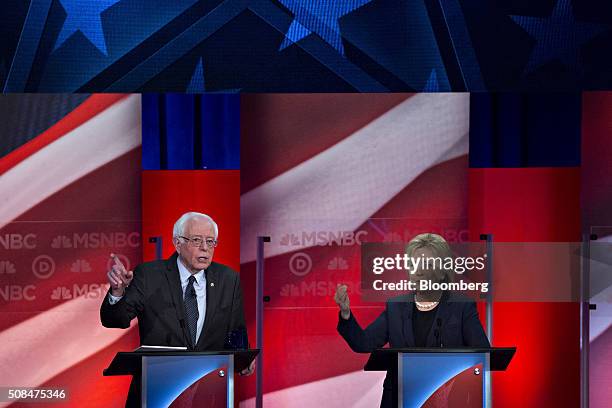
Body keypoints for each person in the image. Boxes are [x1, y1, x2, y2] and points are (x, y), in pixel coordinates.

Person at [100, 212, 253, 407]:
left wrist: (243, 357)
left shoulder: (228, 279)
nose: (205, 247)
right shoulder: (149, 275)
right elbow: (115, 320)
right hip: (157, 390)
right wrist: (118, 291)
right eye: (197, 240)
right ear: (177, 243)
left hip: (209, 393)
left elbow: (236, 330)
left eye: (211, 241)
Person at [334, 233, 490, 408]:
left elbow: (483, 354)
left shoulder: (461, 307)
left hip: (446, 399)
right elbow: (363, 343)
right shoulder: (396, 307)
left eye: (427, 264)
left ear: (442, 273)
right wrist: (346, 314)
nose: (419, 271)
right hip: (399, 398)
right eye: (414, 264)